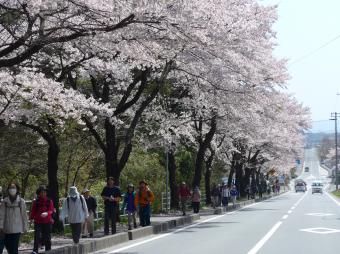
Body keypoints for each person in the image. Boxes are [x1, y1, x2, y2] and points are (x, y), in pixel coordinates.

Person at [0, 183, 28, 254]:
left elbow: (24, 215)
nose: (12, 189)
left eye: (14, 187)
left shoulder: (21, 201)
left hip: (16, 230)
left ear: (17, 189)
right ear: (8, 189)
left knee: (14, 249)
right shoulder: (4, 201)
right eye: (10, 188)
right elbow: (1, 215)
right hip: (6, 229)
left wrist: (25, 228)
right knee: (9, 248)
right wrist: (1, 226)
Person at [30, 186, 55, 254]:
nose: (43, 193)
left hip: (47, 221)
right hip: (38, 222)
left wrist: (47, 213)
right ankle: (35, 251)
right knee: (37, 236)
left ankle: (48, 250)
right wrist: (31, 218)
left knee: (47, 237)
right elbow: (33, 211)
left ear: (46, 193)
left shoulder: (49, 201)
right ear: (39, 193)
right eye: (41, 192)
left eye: (44, 192)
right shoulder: (36, 202)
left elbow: (51, 210)